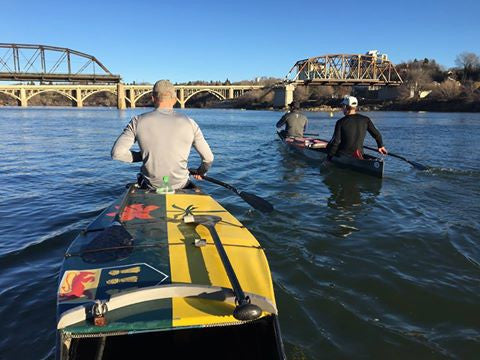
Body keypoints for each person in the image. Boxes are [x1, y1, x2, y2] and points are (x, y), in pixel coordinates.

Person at [111, 80, 214, 190]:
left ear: (153, 98)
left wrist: (142, 156)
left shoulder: (137, 121)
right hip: (181, 185)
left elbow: (117, 153)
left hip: (151, 186)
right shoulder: (190, 123)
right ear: (175, 99)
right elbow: (208, 158)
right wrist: (200, 171)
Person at [326, 96, 387, 161]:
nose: (342, 108)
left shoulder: (340, 122)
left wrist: (329, 158)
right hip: (359, 154)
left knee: (329, 147)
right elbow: (377, 134)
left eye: (342, 106)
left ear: (345, 107)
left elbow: (335, 142)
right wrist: (380, 146)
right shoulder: (366, 119)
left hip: (343, 155)